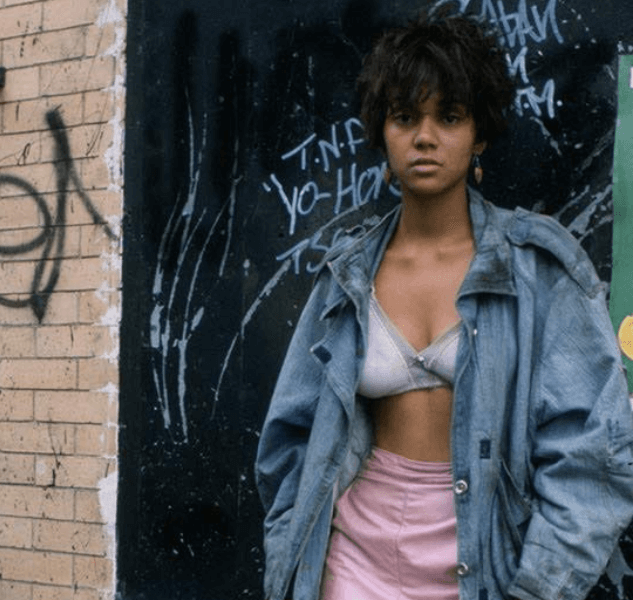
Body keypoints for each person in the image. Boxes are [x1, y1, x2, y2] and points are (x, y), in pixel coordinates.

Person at [255, 9, 633, 600]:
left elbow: (592, 451)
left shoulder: (536, 269)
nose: (425, 137)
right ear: (382, 130)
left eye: (449, 117)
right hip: (352, 560)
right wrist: (292, 544)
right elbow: (289, 438)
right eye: (405, 117)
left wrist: (539, 588)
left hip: (486, 565)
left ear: (479, 133)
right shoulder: (347, 275)